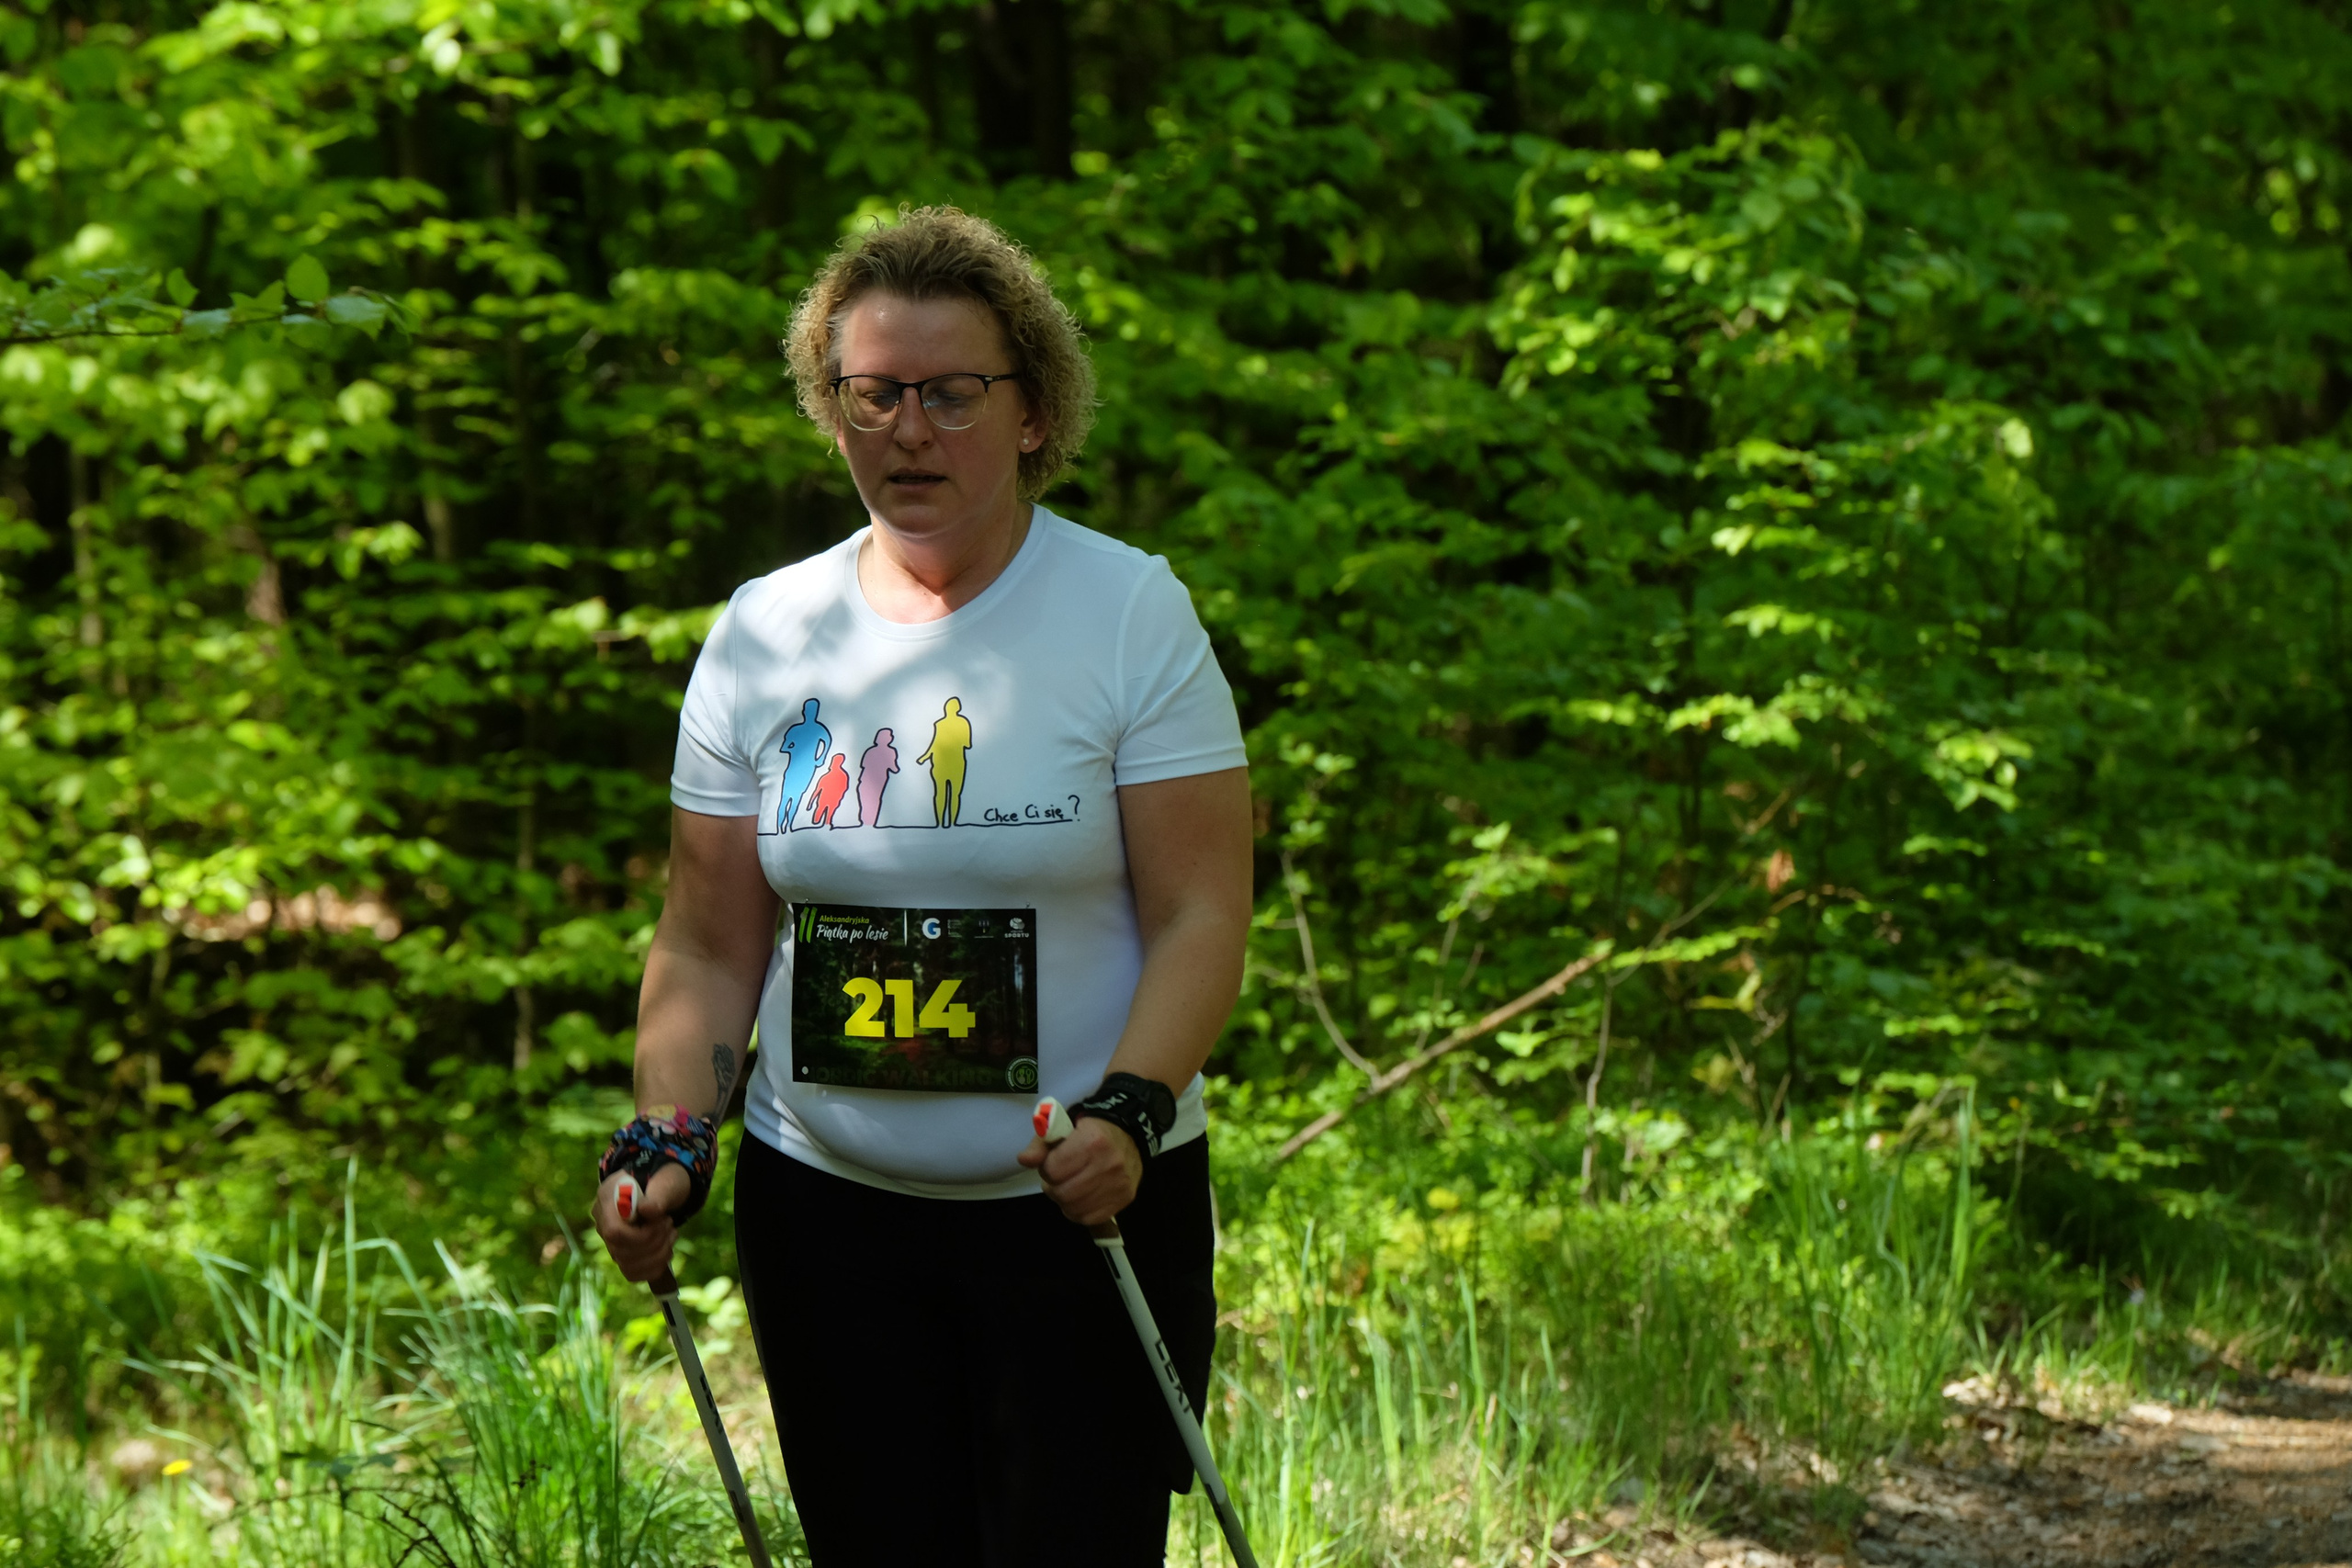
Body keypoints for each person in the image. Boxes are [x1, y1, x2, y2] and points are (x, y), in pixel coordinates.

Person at [590, 206, 1251, 1568]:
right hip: (829, 1218)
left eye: (953, 395)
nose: (908, 431)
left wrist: (1130, 1113)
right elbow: (709, 941)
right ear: (829, 409)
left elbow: (1201, 912)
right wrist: (669, 1137)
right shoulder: (764, 632)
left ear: (1031, 412)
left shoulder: (1128, 612)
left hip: (1084, 1213)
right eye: (873, 394)